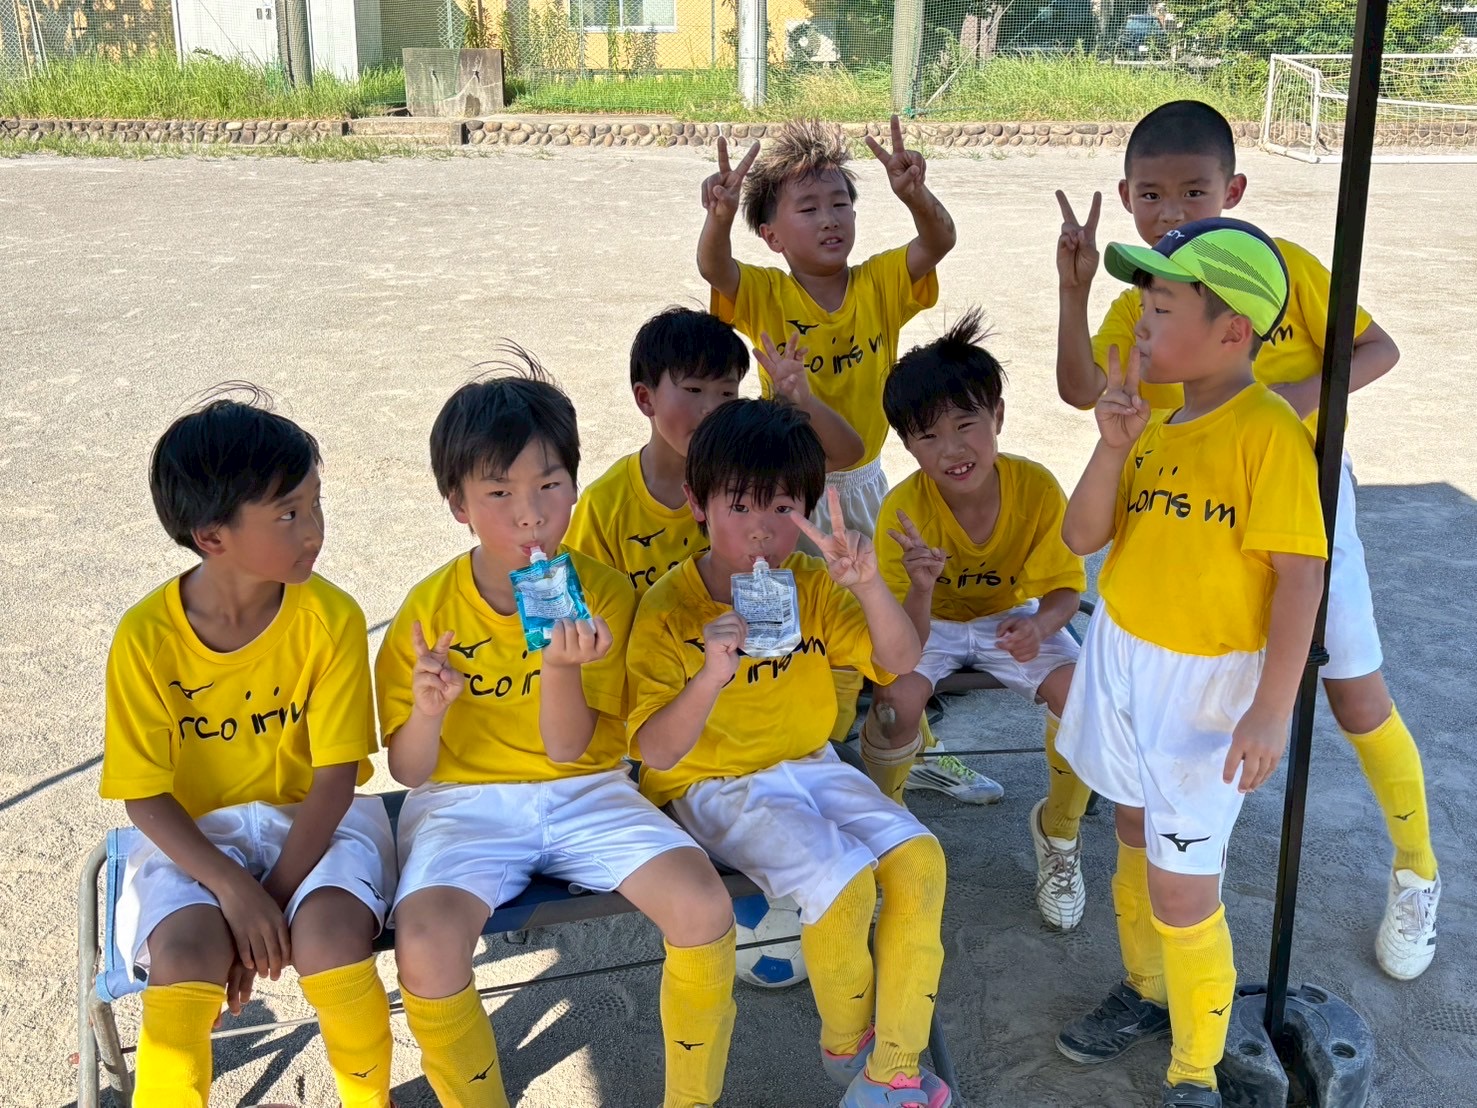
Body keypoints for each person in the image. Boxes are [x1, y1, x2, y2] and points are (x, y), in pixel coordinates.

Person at [1054, 98, 1438, 979]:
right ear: (1127, 196)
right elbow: (1081, 389)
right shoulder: (1152, 291)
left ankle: (1416, 867)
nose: (1171, 212)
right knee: (1171, 713)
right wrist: (1073, 288)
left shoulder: (1280, 267)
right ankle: (1164, 924)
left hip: (1297, 499)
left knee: (1351, 694)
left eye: (1192, 192)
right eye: (1152, 195)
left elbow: (1376, 349)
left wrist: (1280, 406)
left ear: (1231, 191)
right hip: (1181, 506)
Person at [376, 360, 737, 1108]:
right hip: (465, 802)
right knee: (427, 942)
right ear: (457, 505)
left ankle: (691, 1099)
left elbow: (569, 749)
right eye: (498, 494)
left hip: (587, 789)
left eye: (549, 485)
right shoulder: (428, 610)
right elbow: (409, 771)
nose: (529, 516)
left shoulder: (603, 594)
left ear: (575, 486)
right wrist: (430, 710)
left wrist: (561, 666)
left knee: (703, 906)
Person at [1054, 219, 1326, 1108]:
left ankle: (1195, 1071)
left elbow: (1300, 577)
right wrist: (1111, 444)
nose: (1140, 321)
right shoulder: (1154, 421)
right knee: (1131, 831)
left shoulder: (1267, 430)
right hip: (1121, 658)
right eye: (1143, 302)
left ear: (1231, 330)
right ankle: (1145, 989)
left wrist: (1270, 708)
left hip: (1205, 689)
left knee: (1182, 886)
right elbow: (1081, 537)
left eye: (1162, 306)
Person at [626, 398, 951, 1108]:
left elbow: (900, 663)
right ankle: (848, 1043)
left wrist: (868, 585)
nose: (761, 530)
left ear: (807, 509)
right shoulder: (670, 609)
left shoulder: (810, 583)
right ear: (697, 504)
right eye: (739, 505)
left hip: (810, 765)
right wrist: (710, 674)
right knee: (844, 880)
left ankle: (892, 1070)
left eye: (782, 507)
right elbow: (655, 751)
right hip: (715, 783)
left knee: (921, 862)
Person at [100, 392, 397, 1108]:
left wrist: (269, 902)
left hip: (318, 826)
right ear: (211, 535)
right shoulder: (145, 638)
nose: (314, 530)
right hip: (195, 841)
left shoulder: (331, 617)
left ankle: (370, 1098)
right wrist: (235, 895)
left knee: (331, 942)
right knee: (185, 957)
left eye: (316, 504)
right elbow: (144, 794)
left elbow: (335, 779)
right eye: (288, 514)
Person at [696, 116, 982, 803]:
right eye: (808, 208)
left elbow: (938, 241)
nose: (830, 219)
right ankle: (811, 748)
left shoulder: (879, 282)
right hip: (790, 491)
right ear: (770, 234)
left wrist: (915, 194)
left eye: (841, 203)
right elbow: (714, 269)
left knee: (883, 617)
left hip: (864, 483)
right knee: (804, 624)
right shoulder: (766, 293)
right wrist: (719, 215)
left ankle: (912, 742)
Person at [867, 308, 1091, 932]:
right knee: (893, 705)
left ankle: (1059, 832)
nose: (952, 449)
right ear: (906, 445)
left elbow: (1066, 589)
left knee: (1081, 697)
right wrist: (920, 586)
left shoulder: (1036, 488)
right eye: (927, 436)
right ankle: (882, 834)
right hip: (926, 620)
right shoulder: (901, 510)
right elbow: (899, 638)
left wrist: (1040, 628)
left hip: (1011, 616)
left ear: (998, 416)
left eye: (966, 424)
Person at [566, 305, 861, 594]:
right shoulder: (604, 504)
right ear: (645, 398)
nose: (711, 408)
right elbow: (583, 595)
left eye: (727, 392)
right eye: (693, 390)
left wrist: (802, 401)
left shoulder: (756, 466)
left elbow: (848, 454)